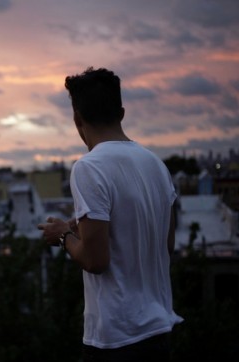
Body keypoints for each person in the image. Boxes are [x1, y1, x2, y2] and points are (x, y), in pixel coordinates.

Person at [38, 67, 183, 361]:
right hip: (158, 331)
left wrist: (63, 236)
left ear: (77, 118)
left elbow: (95, 260)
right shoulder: (156, 165)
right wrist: (79, 227)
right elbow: (165, 244)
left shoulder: (89, 168)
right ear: (122, 112)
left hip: (116, 338)